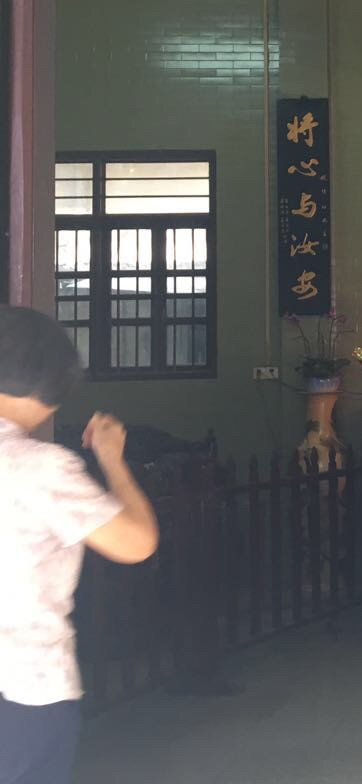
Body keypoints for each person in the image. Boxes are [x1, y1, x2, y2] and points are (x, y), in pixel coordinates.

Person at [0, 306, 159, 784]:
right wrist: (112, 459)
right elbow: (136, 542)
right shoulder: (37, 467)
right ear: (52, 389)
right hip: (25, 686)